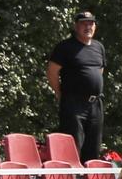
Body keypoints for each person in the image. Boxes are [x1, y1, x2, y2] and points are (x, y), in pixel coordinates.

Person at [46, 10, 107, 162]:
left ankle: (89, 177)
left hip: (95, 104)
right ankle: (71, 176)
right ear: (76, 26)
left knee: (93, 147)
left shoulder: (99, 47)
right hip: (74, 103)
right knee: (73, 146)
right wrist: (59, 93)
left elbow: (99, 70)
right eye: (84, 24)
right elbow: (52, 72)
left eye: (91, 23)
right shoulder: (65, 47)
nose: (88, 27)